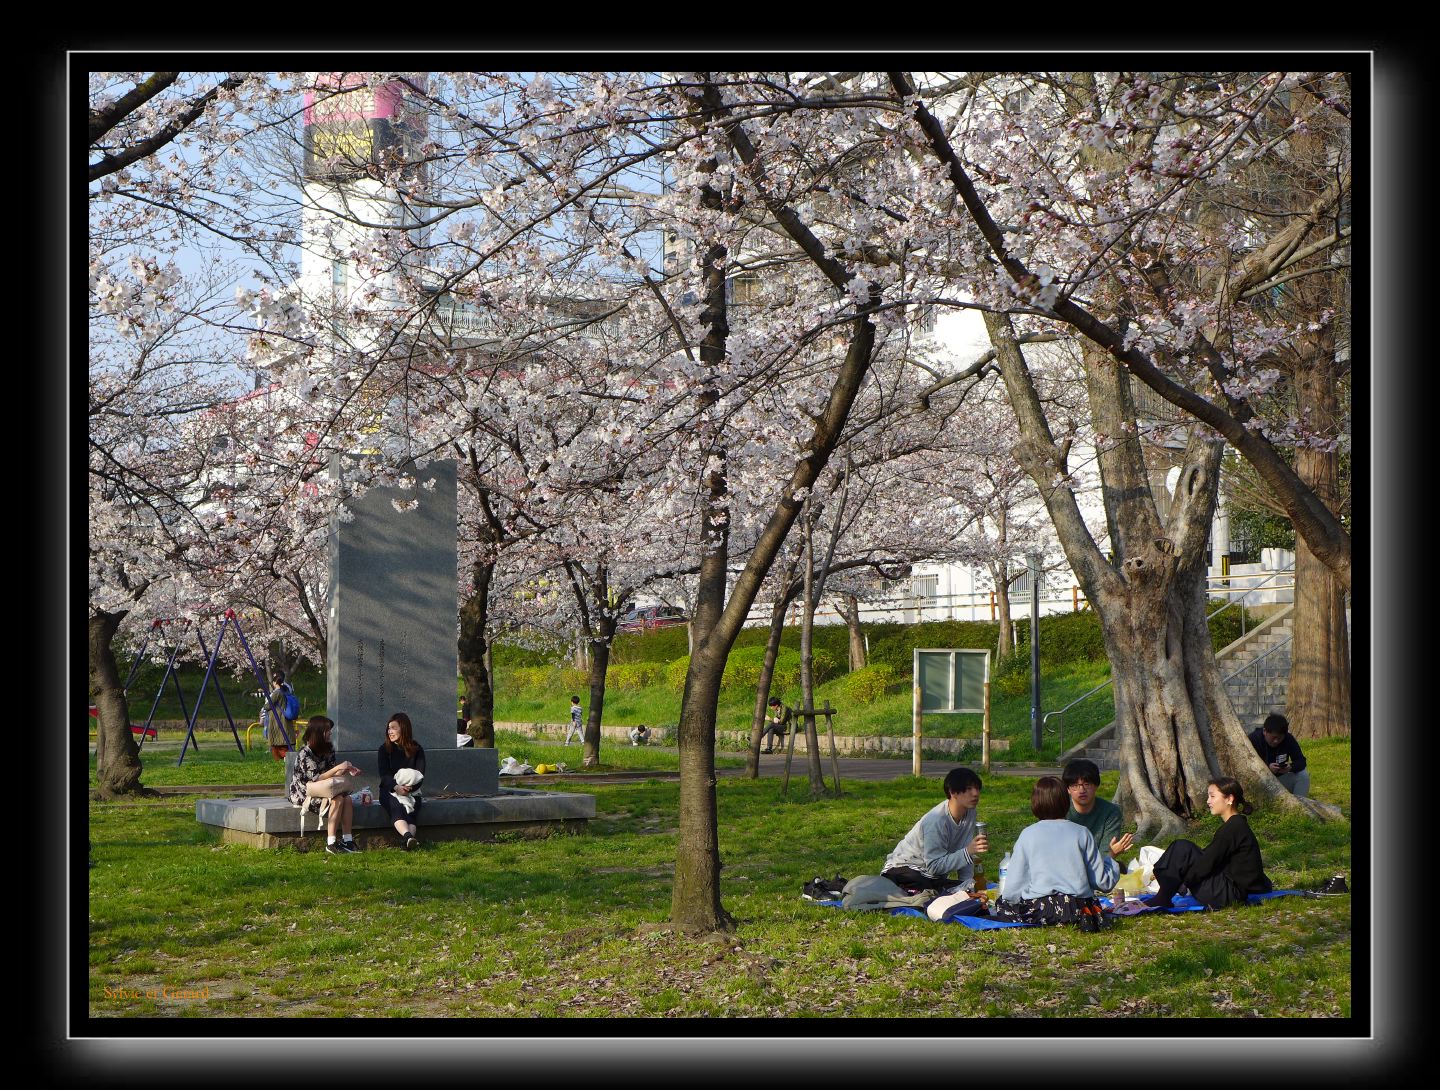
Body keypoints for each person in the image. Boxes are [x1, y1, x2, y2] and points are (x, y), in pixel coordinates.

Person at [991, 776, 1118, 927]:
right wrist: (1111, 861)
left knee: (1003, 905)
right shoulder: (1082, 833)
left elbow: (1015, 884)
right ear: (1066, 802)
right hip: (1080, 909)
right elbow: (1102, 882)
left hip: (1041, 909)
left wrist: (1007, 901)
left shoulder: (1028, 834)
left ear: (1035, 803)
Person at [1147, 776, 1273, 909]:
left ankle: (1163, 898)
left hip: (1230, 895)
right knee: (1184, 849)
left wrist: (1185, 882)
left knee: (1182, 847)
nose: (1208, 801)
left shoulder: (1234, 827)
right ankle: (1164, 896)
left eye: (1212, 796)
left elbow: (1208, 862)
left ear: (1229, 799)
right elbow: (1210, 855)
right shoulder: (1235, 825)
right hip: (1231, 889)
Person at [881, 767, 988, 893]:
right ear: (953, 792)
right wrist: (968, 851)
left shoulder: (970, 812)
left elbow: (965, 852)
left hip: (932, 876)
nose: (975, 794)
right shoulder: (937, 820)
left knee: (962, 889)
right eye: (969, 789)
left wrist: (968, 885)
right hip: (904, 870)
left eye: (977, 788)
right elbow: (934, 866)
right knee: (933, 891)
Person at [286, 716, 363, 854]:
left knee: (347, 799)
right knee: (338, 799)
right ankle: (331, 843)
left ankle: (348, 840)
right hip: (305, 792)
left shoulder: (329, 748)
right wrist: (337, 768)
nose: (331, 733)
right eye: (328, 730)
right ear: (319, 732)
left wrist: (347, 770)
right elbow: (315, 779)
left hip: (325, 788)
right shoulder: (305, 753)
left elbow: (330, 773)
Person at [1063, 758, 1135, 866]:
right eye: (1075, 785)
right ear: (1068, 789)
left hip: (1097, 869)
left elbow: (1105, 854)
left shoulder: (1111, 812)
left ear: (1096, 785)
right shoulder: (1060, 810)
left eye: (1087, 784)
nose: (1082, 790)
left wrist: (1111, 854)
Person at [377, 711, 427, 851]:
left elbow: (420, 773)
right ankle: (408, 837)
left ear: (403, 728)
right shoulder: (384, 749)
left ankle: (408, 841)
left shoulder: (416, 749)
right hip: (390, 790)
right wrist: (396, 787)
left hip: (412, 791)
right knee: (397, 806)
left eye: (393, 728)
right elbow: (384, 775)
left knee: (411, 810)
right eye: (388, 728)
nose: (390, 731)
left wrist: (410, 788)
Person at [1248, 713, 1310, 797]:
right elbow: (1248, 765)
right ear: (1264, 731)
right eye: (1273, 737)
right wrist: (1267, 768)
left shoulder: (1288, 739)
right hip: (1260, 781)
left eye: (1280, 738)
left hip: (1280, 779)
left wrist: (1290, 767)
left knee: (1303, 775)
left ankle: (1300, 805)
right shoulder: (1254, 739)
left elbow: (1301, 761)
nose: (1276, 741)